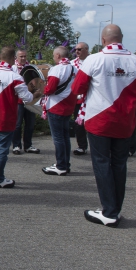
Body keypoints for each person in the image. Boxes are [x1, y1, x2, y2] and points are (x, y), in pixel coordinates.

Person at [72, 24, 136, 227]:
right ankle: (115, 209)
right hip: (125, 121)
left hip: (100, 119)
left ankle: (109, 212)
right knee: (119, 164)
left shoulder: (94, 59)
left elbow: (77, 88)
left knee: (102, 164)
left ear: (103, 40)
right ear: (122, 38)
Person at [0, 47, 41, 188]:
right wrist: (36, 95)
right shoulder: (15, 77)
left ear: (0, 56)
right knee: (2, 148)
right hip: (5, 117)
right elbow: (26, 98)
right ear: (14, 58)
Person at [42, 47, 77, 176]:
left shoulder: (56, 69)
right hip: (68, 105)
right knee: (65, 137)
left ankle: (61, 165)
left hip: (56, 105)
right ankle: (65, 164)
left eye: (53, 55)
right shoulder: (75, 68)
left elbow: (49, 89)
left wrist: (41, 90)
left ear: (57, 55)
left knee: (58, 138)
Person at [12, 49, 40, 154]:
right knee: (17, 124)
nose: (23, 58)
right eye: (21, 56)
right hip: (18, 100)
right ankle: (16, 145)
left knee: (30, 123)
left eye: (24, 56)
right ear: (16, 57)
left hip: (31, 99)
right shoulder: (13, 68)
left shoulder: (31, 68)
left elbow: (37, 81)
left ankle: (28, 145)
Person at [71, 42, 90, 155]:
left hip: (91, 97)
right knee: (78, 123)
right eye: (75, 49)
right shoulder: (72, 64)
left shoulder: (92, 61)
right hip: (78, 98)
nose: (77, 51)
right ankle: (82, 146)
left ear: (86, 50)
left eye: (79, 49)